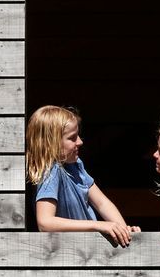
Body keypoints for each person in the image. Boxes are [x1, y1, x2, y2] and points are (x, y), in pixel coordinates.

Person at [25, 105, 139, 245]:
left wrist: (122, 230)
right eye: (72, 138)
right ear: (51, 144)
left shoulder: (76, 165)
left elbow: (102, 203)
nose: (80, 141)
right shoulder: (51, 171)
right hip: (70, 252)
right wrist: (99, 225)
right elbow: (45, 222)